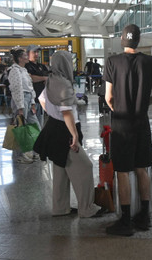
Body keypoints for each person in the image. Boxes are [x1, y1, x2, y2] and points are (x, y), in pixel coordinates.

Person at [103, 24, 152, 236]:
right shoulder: (150, 61)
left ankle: (126, 220)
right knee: (141, 168)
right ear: (138, 41)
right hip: (141, 122)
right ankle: (144, 216)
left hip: (121, 124)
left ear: (122, 40)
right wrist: (143, 105)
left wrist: (119, 108)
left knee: (122, 171)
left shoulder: (112, 61)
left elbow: (108, 97)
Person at [33, 50, 101, 218]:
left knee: (61, 168)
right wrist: (74, 135)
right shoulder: (63, 83)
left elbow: (41, 99)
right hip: (65, 130)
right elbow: (67, 113)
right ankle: (87, 208)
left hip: (52, 128)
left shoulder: (51, 80)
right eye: (69, 62)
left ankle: (60, 207)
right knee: (85, 167)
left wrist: (52, 112)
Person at [8, 48, 40, 163]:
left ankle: (32, 151)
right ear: (20, 58)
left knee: (34, 125)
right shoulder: (14, 70)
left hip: (27, 98)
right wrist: (20, 107)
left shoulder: (24, 70)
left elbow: (30, 87)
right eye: (25, 55)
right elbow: (17, 89)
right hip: (20, 100)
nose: (27, 57)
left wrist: (32, 102)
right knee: (21, 127)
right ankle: (22, 154)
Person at [25, 45, 49, 127]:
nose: (36, 54)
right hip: (30, 100)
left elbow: (48, 78)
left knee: (40, 123)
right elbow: (31, 78)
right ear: (28, 53)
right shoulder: (26, 66)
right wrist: (44, 78)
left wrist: (45, 79)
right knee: (32, 125)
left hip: (41, 98)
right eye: (34, 52)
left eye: (37, 52)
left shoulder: (42, 66)